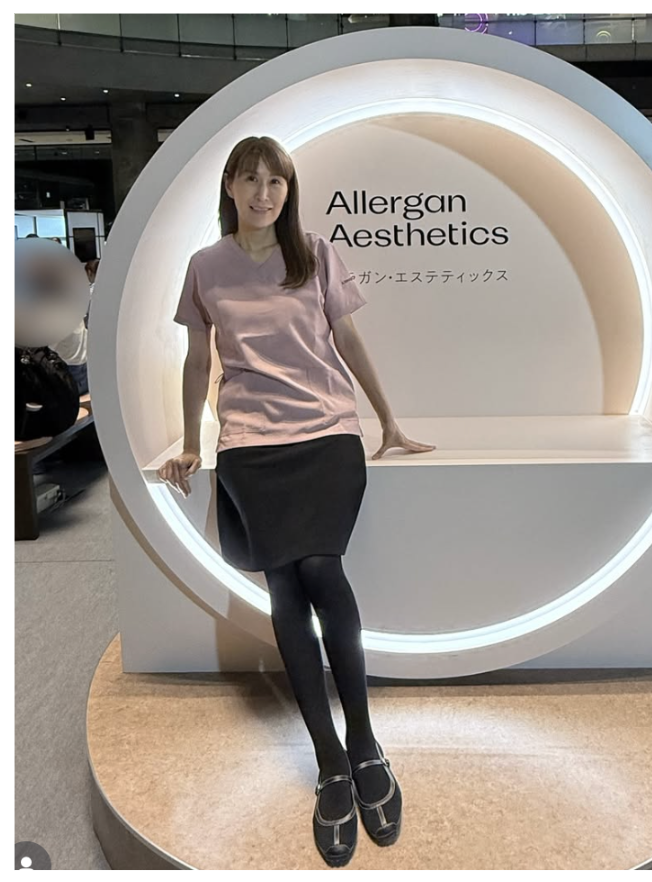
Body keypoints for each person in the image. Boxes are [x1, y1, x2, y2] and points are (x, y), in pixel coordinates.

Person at [158, 136, 435, 867]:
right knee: (285, 585)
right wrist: (190, 442)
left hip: (327, 433)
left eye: (276, 181)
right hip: (250, 443)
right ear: (229, 185)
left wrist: (388, 420)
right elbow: (198, 358)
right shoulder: (205, 266)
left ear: (289, 189)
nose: (263, 193)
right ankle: (330, 762)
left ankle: (364, 743)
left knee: (317, 569)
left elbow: (348, 338)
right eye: (251, 180)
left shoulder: (314, 253)